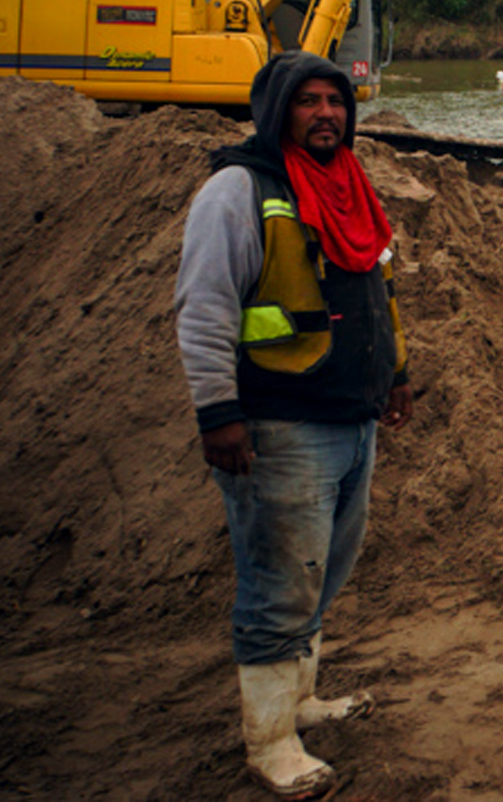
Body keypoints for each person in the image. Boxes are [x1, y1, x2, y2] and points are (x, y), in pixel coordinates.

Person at [174, 51, 413, 799]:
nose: (326, 114)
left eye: (335, 102)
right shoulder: (239, 190)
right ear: (278, 112)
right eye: (308, 102)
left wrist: (396, 374)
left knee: (321, 572)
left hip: (351, 417)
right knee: (279, 584)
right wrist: (218, 414)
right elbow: (205, 307)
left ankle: (300, 701)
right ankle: (270, 743)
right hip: (281, 423)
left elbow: (379, 290)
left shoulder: (350, 187)